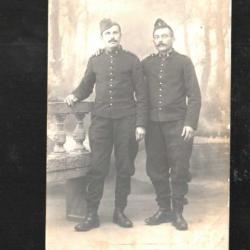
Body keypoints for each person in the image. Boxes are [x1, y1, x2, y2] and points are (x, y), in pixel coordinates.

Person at [65, 18, 147, 232]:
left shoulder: (132, 60)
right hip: (101, 121)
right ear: (102, 38)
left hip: (126, 121)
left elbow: (142, 95)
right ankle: (92, 215)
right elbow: (85, 85)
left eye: (115, 32)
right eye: (108, 33)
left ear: (120, 36)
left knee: (124, 167)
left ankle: (120, 211)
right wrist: (74, 95)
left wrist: (140, 124)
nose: (112, 36)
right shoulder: (95, 61)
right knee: (97, 167)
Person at [142, 18, 201, 231]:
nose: (161, 40)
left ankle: (178, 213)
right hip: (153, 126)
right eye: (157, 37)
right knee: (155, 169)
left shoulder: (184, 62)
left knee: (179, 168)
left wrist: (190, 123)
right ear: (153, 40)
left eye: (165, 36)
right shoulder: (146, 63)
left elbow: (194, 95)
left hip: (178, 125)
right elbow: (129, 80)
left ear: (172, 38)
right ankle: (164, 209)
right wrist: (101, 53)